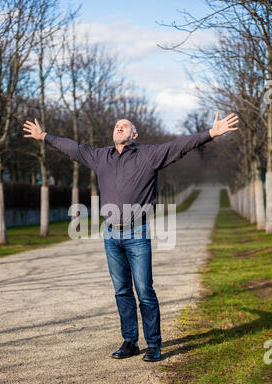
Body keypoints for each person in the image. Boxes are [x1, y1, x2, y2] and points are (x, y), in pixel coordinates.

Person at [22, 112, 239, 361]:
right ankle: (130, 341)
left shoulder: (149, 155)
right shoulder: (101, 157)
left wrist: (211, 133)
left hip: (138, 231)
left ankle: (154, 345)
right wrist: (45, 136)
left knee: (145, 290)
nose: (119, 128)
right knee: (122, 290)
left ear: (134, 134)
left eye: (124, 126)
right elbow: (74, 149)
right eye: (116, 126)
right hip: (111, 233)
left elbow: (180, 146)